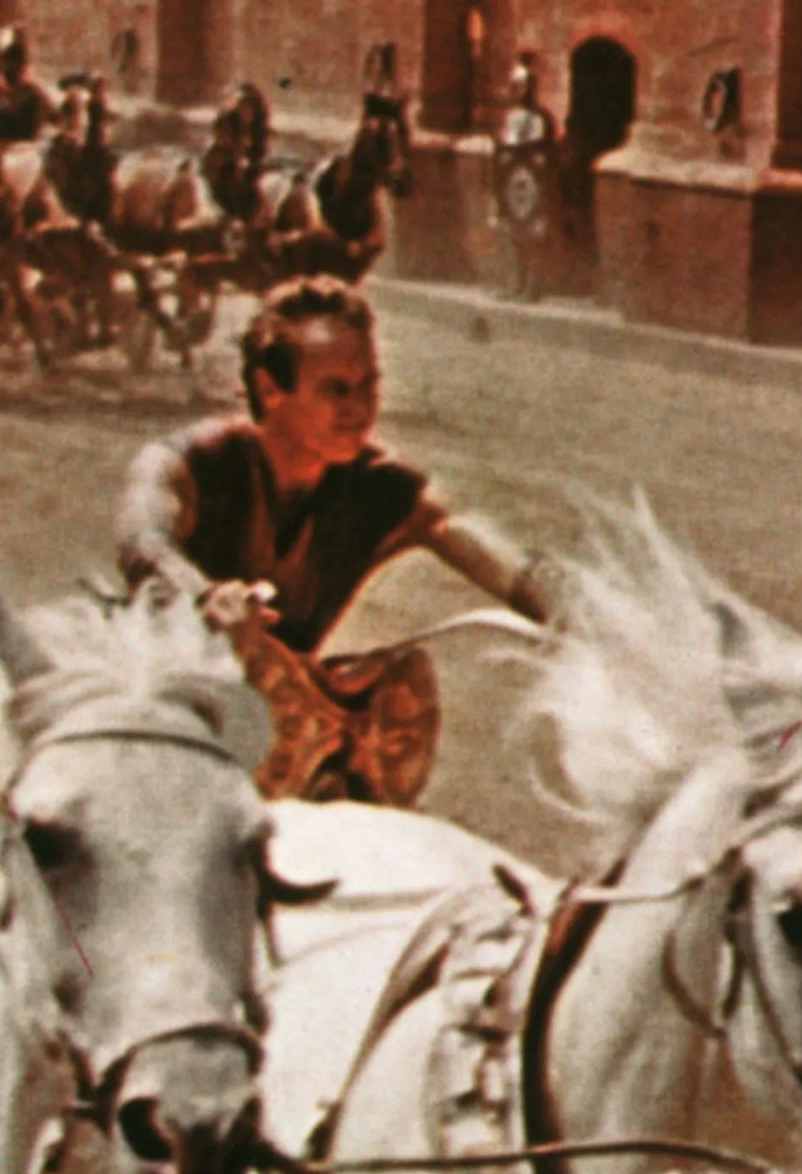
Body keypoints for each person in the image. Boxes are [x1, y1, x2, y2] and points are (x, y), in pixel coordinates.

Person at [117, 277, 550, 796]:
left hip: (287, 764)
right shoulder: (189, 464)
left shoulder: (385, 489)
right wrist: (204, 596)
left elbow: (496, 556)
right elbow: (144, 542)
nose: (359, 407)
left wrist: (573, 610)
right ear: (270, 389)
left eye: (369, 384)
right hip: (159, 742)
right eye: (335, 389)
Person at [493, 57, 557, 301]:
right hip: (511, 183)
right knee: (513, 235)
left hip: (532, 183)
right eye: (516, 87)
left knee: (533, 235)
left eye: (524, 86)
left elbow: (541, 153)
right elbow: (504, 148)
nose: (519, 92)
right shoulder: (509, 118)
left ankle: (532, 287)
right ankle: (514, 283)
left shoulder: (540, 119)